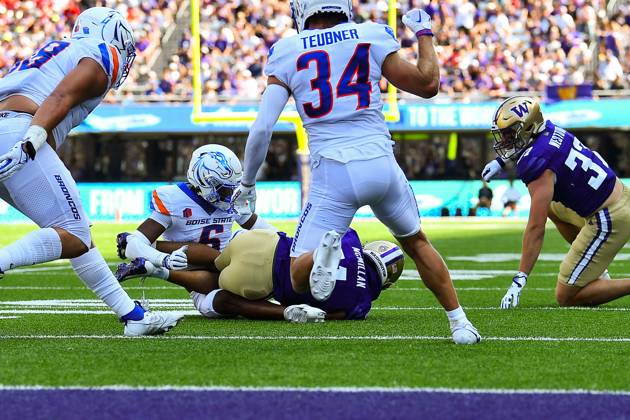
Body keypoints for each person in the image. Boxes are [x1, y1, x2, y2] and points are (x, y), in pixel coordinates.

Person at [231, 1, 480, 344]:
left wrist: (247, 182)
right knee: (418, 244)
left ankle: (322, 254)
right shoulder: (370, 35)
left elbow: (262, 129)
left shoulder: (287, 51)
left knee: (296, 273)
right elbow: (428, 84)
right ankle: (460, 323)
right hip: (381, 163)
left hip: (334, 172)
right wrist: (423, 32)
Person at [0, 7, 181, 336]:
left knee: (76, 235)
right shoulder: (102, 52)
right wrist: (29, 142)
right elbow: (61, 97)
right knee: (75, 233)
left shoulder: (55, 50)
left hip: (9, 129)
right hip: (18, 134)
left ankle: (133, 317)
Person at [481, 96, 630, 308]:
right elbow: (535, 143)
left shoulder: (536, 163)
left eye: (508, 134)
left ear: (528, 127)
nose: (503, 140)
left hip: (611, 216)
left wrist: (520, 278)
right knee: (552, 206)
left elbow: (535, 227)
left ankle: (601, 276)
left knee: (567, 296)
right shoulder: (550, 129)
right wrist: (501, 160)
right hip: (620, 194)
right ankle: (595, 269)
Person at [116, 228, 405, 323]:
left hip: (264, 241)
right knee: (226, 294)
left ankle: (150, 247)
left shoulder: (352, 240)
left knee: (217, 260)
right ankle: (161, 271)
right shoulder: (362, 303)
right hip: (261, 283)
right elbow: (335, 316)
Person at [116, 144, 275, 271]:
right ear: (205, 182)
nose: (231, 194)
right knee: (213, 304)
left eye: (233, 187)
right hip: (197, 274)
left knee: (248, 241)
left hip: (227, 265)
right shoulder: (175, 199)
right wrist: (163, 259)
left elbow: (266, 232)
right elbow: (134, 244)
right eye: (225, 189)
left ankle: (153, 251)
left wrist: (286, 246)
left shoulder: (231, 199)